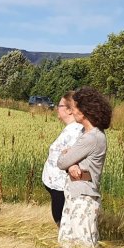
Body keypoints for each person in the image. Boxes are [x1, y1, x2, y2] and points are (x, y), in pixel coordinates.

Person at [56, 86, 112, 248]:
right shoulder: (84, 133)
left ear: (85, 111)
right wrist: (71, 165)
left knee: (84, 246)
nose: (72, 111)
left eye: (75, 108)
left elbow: (61, 161)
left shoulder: (92, 138)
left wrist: (68, 161)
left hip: (83, 198)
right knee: (67, 245)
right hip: (76, 195)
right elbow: (66, 161)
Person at [41, 91, 83, 226]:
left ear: (70, 110)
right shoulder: (71, 129)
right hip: (57, 186)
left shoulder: (76, 130)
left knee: (62, 222)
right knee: (61, 221)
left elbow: (72, 157)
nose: (56, 108)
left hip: (62, 187)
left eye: (60, 106)